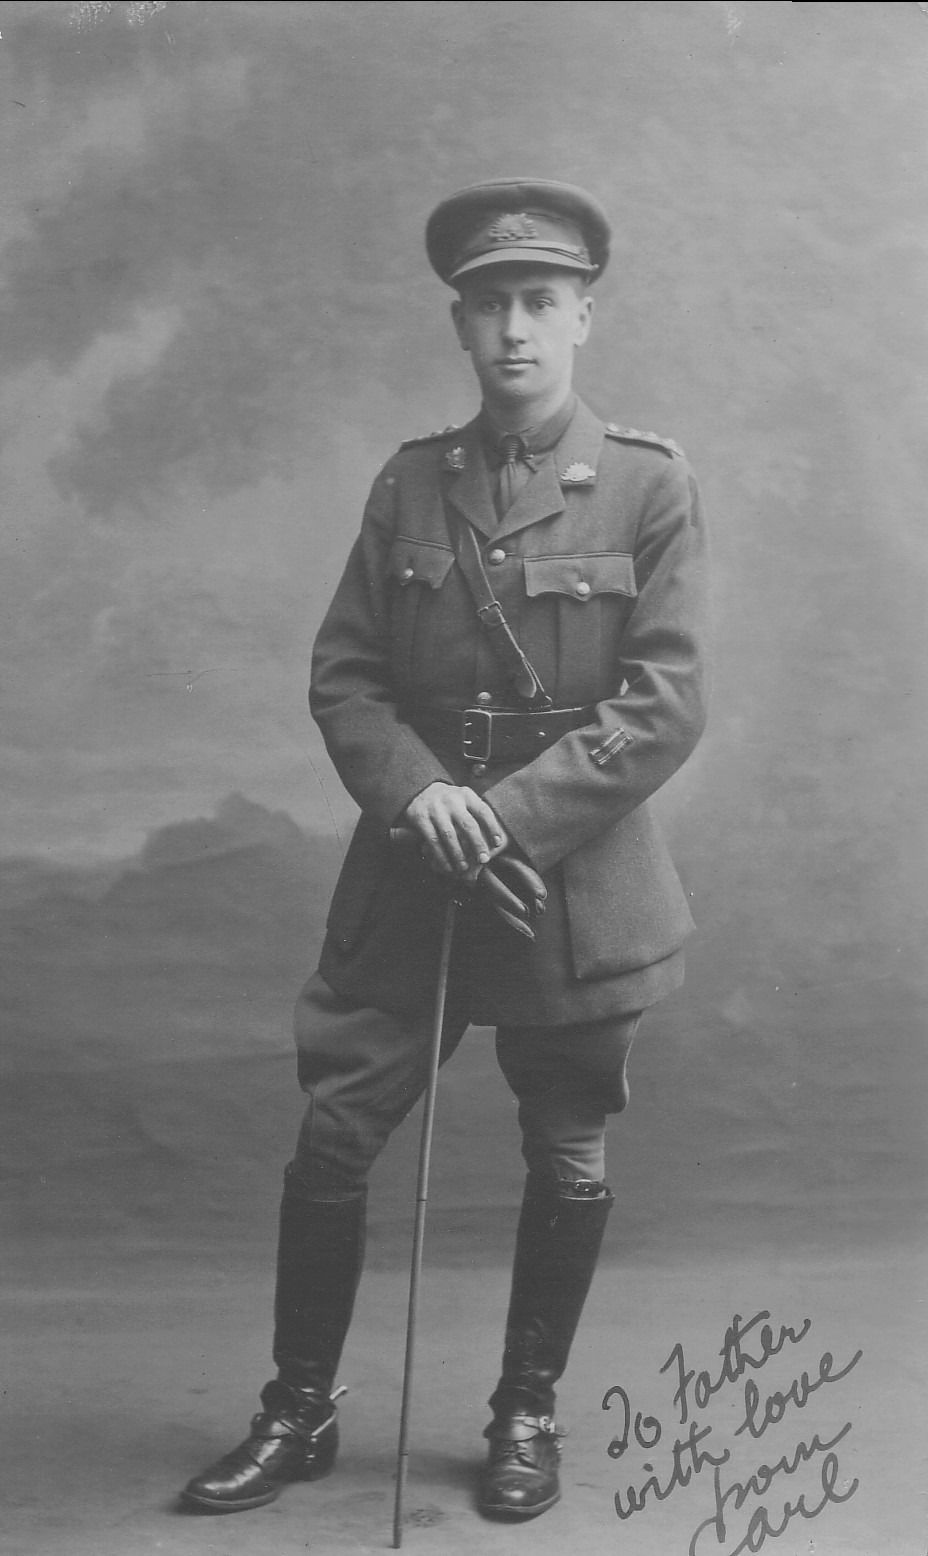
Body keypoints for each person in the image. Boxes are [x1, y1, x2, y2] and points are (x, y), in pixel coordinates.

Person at [180, 177, 710, 1522]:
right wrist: (420, 797)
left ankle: (525, 1412)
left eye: (540, 301)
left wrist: (508, 818)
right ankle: (298, 1412)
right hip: (414, 865)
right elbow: (347, 677)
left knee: (568, 1143)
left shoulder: (647, 484)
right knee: (335, 1131)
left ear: (582, 316)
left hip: (568, 880)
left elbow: (664, 704)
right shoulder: (410, 482)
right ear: (461, 326)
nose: (515, 329)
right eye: (490, 306)